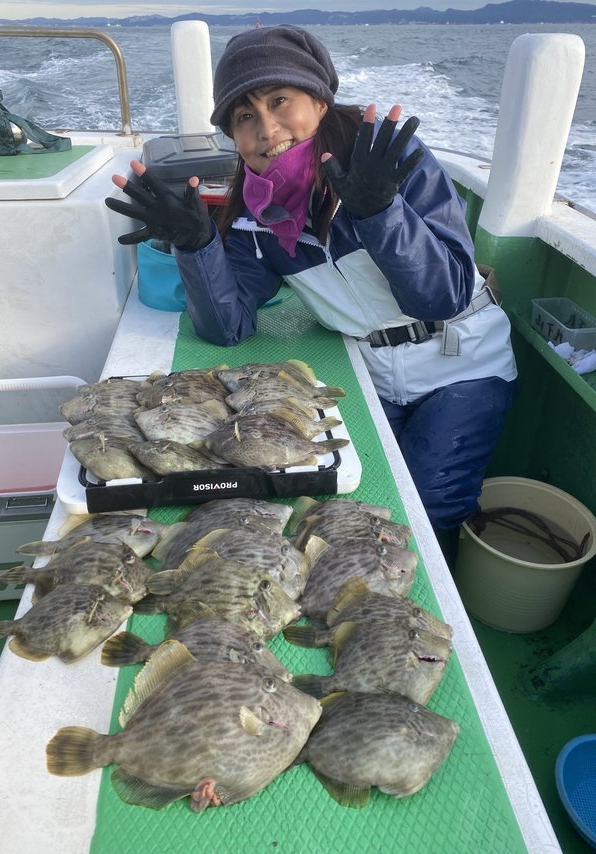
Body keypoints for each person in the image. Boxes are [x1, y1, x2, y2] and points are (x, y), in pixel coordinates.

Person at [105, 24, 518, 568]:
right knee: (352, 501)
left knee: (432, 501)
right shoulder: (255, 212)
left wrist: (379, 211)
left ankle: (428, 605)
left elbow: (441, 295)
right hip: (367, 368)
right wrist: (197, 242)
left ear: (320, 102)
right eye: (245, 116)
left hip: (463, 360)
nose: (267, 128)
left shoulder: (387, 164)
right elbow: (227, 328)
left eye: (281, 101)